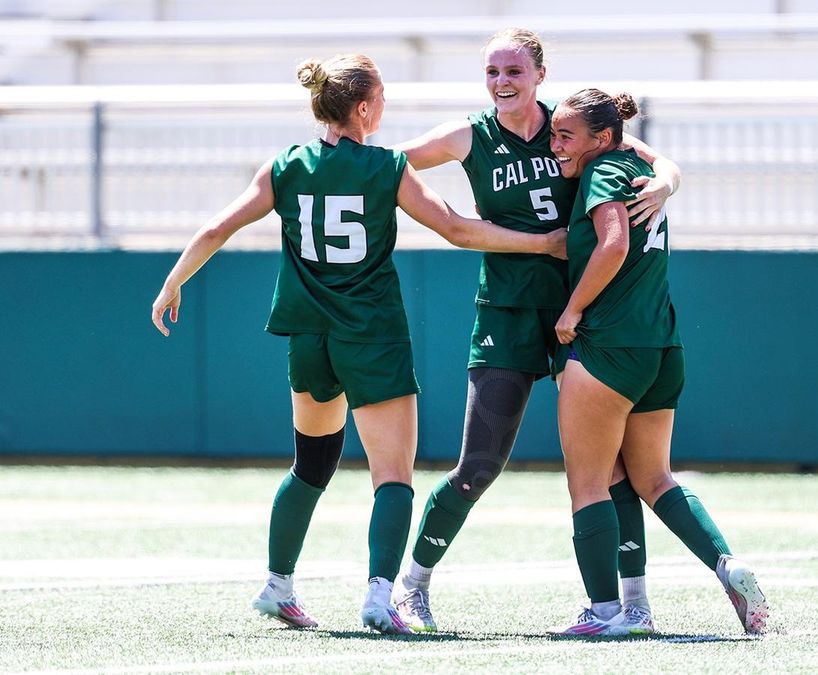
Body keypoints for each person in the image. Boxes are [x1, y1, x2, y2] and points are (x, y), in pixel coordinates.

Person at [149, 54, 565, 635]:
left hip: (309, 337)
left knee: (311, 463)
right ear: (364, 108)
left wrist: (173, 283)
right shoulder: (386, 167)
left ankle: (278, 584)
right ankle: (377, 597)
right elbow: (458, 229)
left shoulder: (286, 166)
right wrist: (545, 244)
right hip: (371, 336)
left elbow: (219, 227)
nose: (386, 106)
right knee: (392, 477)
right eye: (383, 97)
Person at [391, 28, 681, 634]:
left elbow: (657, 160)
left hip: (584, 312)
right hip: (508, 311)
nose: (502, 82)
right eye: (492, 72)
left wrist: (668, 182)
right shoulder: (469, 135)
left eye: (514, 72)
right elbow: (389, 165)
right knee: (479, 465)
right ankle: (410, 585)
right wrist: (457, 226)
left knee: (617, 469)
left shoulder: (569, 124)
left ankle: (631, 604)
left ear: (540, 76)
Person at [548, 88, 768, 637]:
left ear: (601, 138)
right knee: (648, 476)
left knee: (588, 484)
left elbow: (614, 244)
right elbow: (652, 170)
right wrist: (669, 174)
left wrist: (571, 310)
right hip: (661, 347)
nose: (554, 146)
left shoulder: (601, 171)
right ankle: (720, 567)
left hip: (607, 347)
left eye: (564, 135)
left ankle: (605, 613)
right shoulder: (635, 167)